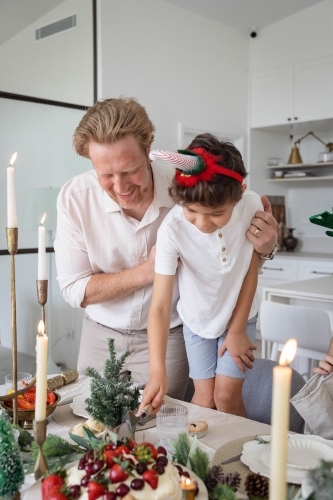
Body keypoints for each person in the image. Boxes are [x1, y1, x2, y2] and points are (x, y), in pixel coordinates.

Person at [54, 97, 278, 400]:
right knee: (93, 416)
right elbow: (74, 289)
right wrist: (147, 272)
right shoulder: (74, 199)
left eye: (130, 170)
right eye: (106, 175)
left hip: (171, 333)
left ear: (148, 151)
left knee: (162, 424)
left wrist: (266, 247)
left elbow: (232, 257)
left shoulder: (190, 190)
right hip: (100, 332)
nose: (120, 187)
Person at [139, 134, 263, 417]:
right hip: (197, 321)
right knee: (204, 401)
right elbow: (159, 306)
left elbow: (250, 268)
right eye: (192, 211)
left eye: (217, 213)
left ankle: (241, 457)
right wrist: (158, 371)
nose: (202, 223)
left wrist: (237, 329)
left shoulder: (251, 205)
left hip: (239, 314)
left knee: (226, 397)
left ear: (240, 192)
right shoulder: (172, 229)